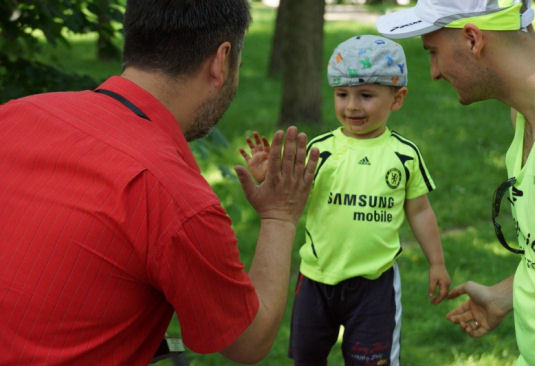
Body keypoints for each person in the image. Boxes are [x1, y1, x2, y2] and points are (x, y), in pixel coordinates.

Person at [0, 1, 320, 364]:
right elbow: (248, 341)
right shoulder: (175, 199)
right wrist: (280, 216)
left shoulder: (14, 114)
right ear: (221, 61)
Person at [240, 35, 450, 366]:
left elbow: (420, 211)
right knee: (307, 360)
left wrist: (436, 263)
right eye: (342, 95)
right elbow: (290, 199)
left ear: (398, 99)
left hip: (374, 286)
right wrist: (268, 177)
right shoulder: (319, 151)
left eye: (365, 95)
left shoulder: (404, 156)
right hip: (316, 280)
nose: (351, 106)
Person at [377, 0, 535, 365]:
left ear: (473, 39)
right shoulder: (525, 114)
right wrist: (508, 294)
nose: (435, 72)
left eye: (433, 52)